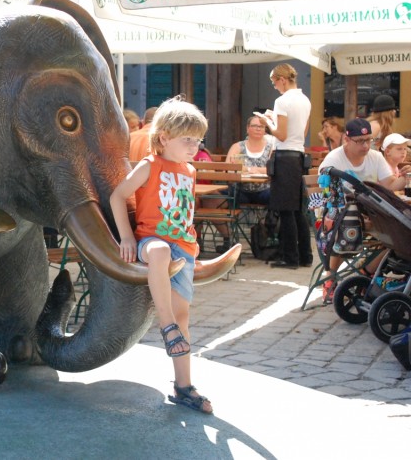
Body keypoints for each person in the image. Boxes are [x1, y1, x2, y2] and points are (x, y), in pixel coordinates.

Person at [110, 97, 212, 415]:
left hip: (186, 248)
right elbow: (118, 196)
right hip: (152, 241)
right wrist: (127, 236)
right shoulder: (150, 165)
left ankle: (184, 387)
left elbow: (184, 213)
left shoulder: (190, 170)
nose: (193, 146)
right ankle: (165, 326)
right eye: (187, 140)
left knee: (185, 316)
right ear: (164, 137)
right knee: (160, 251)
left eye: (197, 140)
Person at [317, 119, 411, 301]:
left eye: (369, 140)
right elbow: (327, 192)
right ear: (347, 139)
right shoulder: (335, 158)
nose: (366, 145)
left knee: (399, 233)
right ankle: (331, 276)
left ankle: (365, 273)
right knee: (349, 222)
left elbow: (389, 185)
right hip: (339, 210)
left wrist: (405, 177)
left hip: (372, 213)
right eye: (360, 141)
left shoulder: (375, 157)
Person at [255, 63, 313, 269]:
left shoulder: (282, 101)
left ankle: (291, 258)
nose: (274, 86)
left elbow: (280, 134)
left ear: (282, 79)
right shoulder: (305, 100)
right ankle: (306, 256)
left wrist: (266, 120)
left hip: (285, 156)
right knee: (297, 210)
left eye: (274, 82)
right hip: (298, 155)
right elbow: (303, 132)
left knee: (286, 210)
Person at [206, 115, 275, 253]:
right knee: (210, 199)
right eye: (255, 126)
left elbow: (273, 169)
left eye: (261, 126)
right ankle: (228, 239)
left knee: (281, 198)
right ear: (247, 128)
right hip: (239, 190)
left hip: (264, 190)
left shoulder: (271, 147)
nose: (258, 129)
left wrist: (249, 169)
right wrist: (255, 170)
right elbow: (228, 168)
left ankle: (271, 237)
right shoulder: (238, 146)